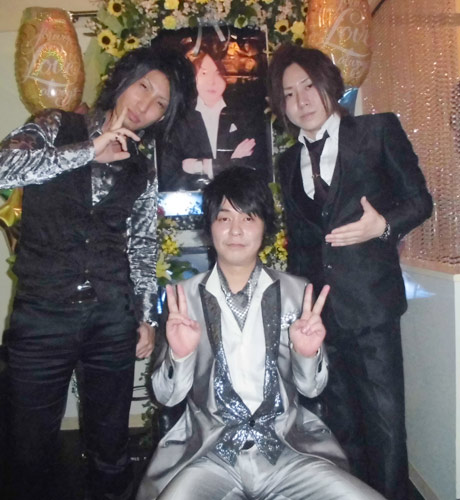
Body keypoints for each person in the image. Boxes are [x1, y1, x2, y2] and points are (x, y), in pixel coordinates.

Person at [0, 45, 195, 500]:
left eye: (160, 103)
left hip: (111, 318)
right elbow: (3, 168)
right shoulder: (55, 126)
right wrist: (88, 151)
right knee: (28, 449)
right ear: (124, 79)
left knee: (111, 448)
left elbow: (142, 243)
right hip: (42, 316)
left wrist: (145, 316)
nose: (145, 105)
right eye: (143, 86)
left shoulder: (141, 166)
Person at [136, 166, 385, 500]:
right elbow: (167, 397)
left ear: (265, 226)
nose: (236, 230)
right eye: (224, 218)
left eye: (249, 218)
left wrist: (306, 353)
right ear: (209, 227)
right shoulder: (184, 298)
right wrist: (180, 357)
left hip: (288, 452)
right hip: (209, 456)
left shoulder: (297, 293)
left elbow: (311, 388)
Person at [267, 43, 433, 500]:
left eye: (308, 86)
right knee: (339, 427)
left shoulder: (377, 131)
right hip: (321, 318)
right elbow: (301, 243)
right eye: (288, 94)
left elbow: (420, 200)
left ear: (329, 85)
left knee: (385, 424)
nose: (301, 100)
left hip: (371, 307)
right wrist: (299, 310)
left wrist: (383, 226)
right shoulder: (287, 162)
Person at [159, 51, 269, 191]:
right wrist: (232, 160)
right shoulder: (180, 119)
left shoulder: (243, 112)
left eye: (217, 73)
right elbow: (169, 176)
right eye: (204, 73)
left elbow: (255, 164)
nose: (211, 81)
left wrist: (202, 166)